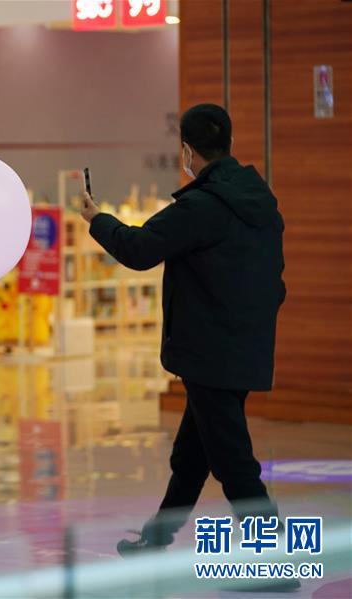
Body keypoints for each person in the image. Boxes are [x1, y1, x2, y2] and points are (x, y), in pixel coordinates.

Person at [81, 104, 287, 555]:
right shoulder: (261, 204)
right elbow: (276, 282)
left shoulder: (201, 208)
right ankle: (156, 539)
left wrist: (97, 219)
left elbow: (138, 249)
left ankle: (272, 560)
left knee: (234, 464)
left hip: (209, 354)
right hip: (242, 349)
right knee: (191, 457)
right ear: (228, 143)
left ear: (188, 151)